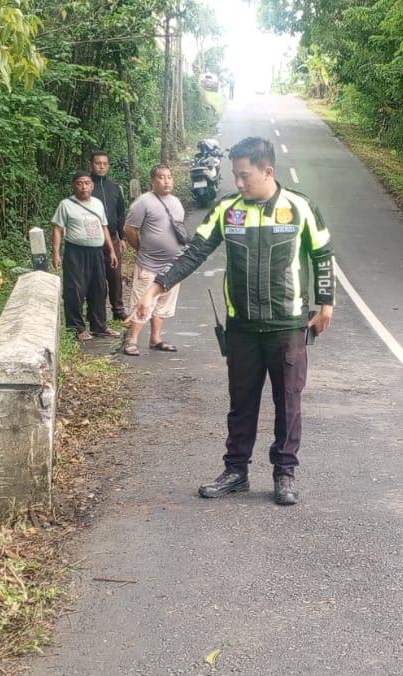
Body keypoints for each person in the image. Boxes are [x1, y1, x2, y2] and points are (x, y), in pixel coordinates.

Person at [133, 137, 334, 506]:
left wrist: (326, 304)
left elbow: (322, 254)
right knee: (241, 404)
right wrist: (155, 288)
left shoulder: (300, 207)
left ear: (268, 172)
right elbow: (193, 253)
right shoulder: (228, 210)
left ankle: (284, 473)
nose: (238, 184)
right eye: (235, 176)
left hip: (287, 327)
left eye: (245, 176)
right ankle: (236, 471)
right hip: (241, 327)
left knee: (288, 403)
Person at [119, 164, 188, 356]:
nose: (166, 181)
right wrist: (141, 248)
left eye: (169, 177)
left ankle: (155, 338)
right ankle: (132, 341)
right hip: (149, 264)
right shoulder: (143, 202)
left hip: (173, 264)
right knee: (143, 301)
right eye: (161, 177)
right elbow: (130, 229)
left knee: (164, 303)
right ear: (153, 181)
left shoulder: (175, 202)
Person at [52, 171, 121, 340]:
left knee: (99, 288)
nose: (84, 187)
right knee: (75, 289)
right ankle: (77, 327)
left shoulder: (97, 203)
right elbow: (58, 229)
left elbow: (104, 227)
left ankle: (99, 326)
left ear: (92, 185)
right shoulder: (66, 204)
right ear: (73, 186)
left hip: (97, 252)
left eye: (87, 183)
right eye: (79, 183)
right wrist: (56, 253)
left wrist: (111, 250)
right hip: (75, 252)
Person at [89, 150, 130, 320]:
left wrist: (123, 237)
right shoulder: (86, 185)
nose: (102, 167)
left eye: (105, 164)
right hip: (92, 240)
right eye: (98, 163)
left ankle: (118, 311)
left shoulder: (114, 188)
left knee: (115, 276)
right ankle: (95, 314)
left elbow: (121, 213)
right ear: (91, 164)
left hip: (112, 238)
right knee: (96, 279)